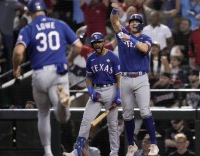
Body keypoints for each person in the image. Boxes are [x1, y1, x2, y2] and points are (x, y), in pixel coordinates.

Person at [12, 0, 82, 156]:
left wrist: (16, 68)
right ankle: (62, 105)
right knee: (63, 118)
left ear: (30, 14)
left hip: (40, 74)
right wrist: (69, 60)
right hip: (59, 72)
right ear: (45, 11)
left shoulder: (28, 28)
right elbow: (78, 46)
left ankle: (48, 152)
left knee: (43, 114)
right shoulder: (59, 24)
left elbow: (18, 52)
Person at [110, 3, 159, 156]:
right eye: (131, 22)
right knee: (127, 114)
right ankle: (131, 145)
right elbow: (114, 21)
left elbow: (144, 49)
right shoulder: (122, 34)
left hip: (141, 78)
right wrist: (115, 9)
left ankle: (153, 145)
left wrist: (129, 37)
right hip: (125, 78)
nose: (134, 23)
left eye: (136, 22)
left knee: (145, 111)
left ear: (141, 24)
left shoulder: (146, 37)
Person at [62, 32, 121, 156]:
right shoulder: (91, 58)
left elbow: (119, 78)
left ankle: (114, 153)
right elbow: (88, 78)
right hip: (97, 90)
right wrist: (90, 91)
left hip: (111, 89)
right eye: (95, 43)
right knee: (85, 120)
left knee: (113, 125)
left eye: (99, 42)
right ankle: (77, 151)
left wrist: (118, 94)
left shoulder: (113, 57)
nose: (97, 45)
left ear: (103, 42)